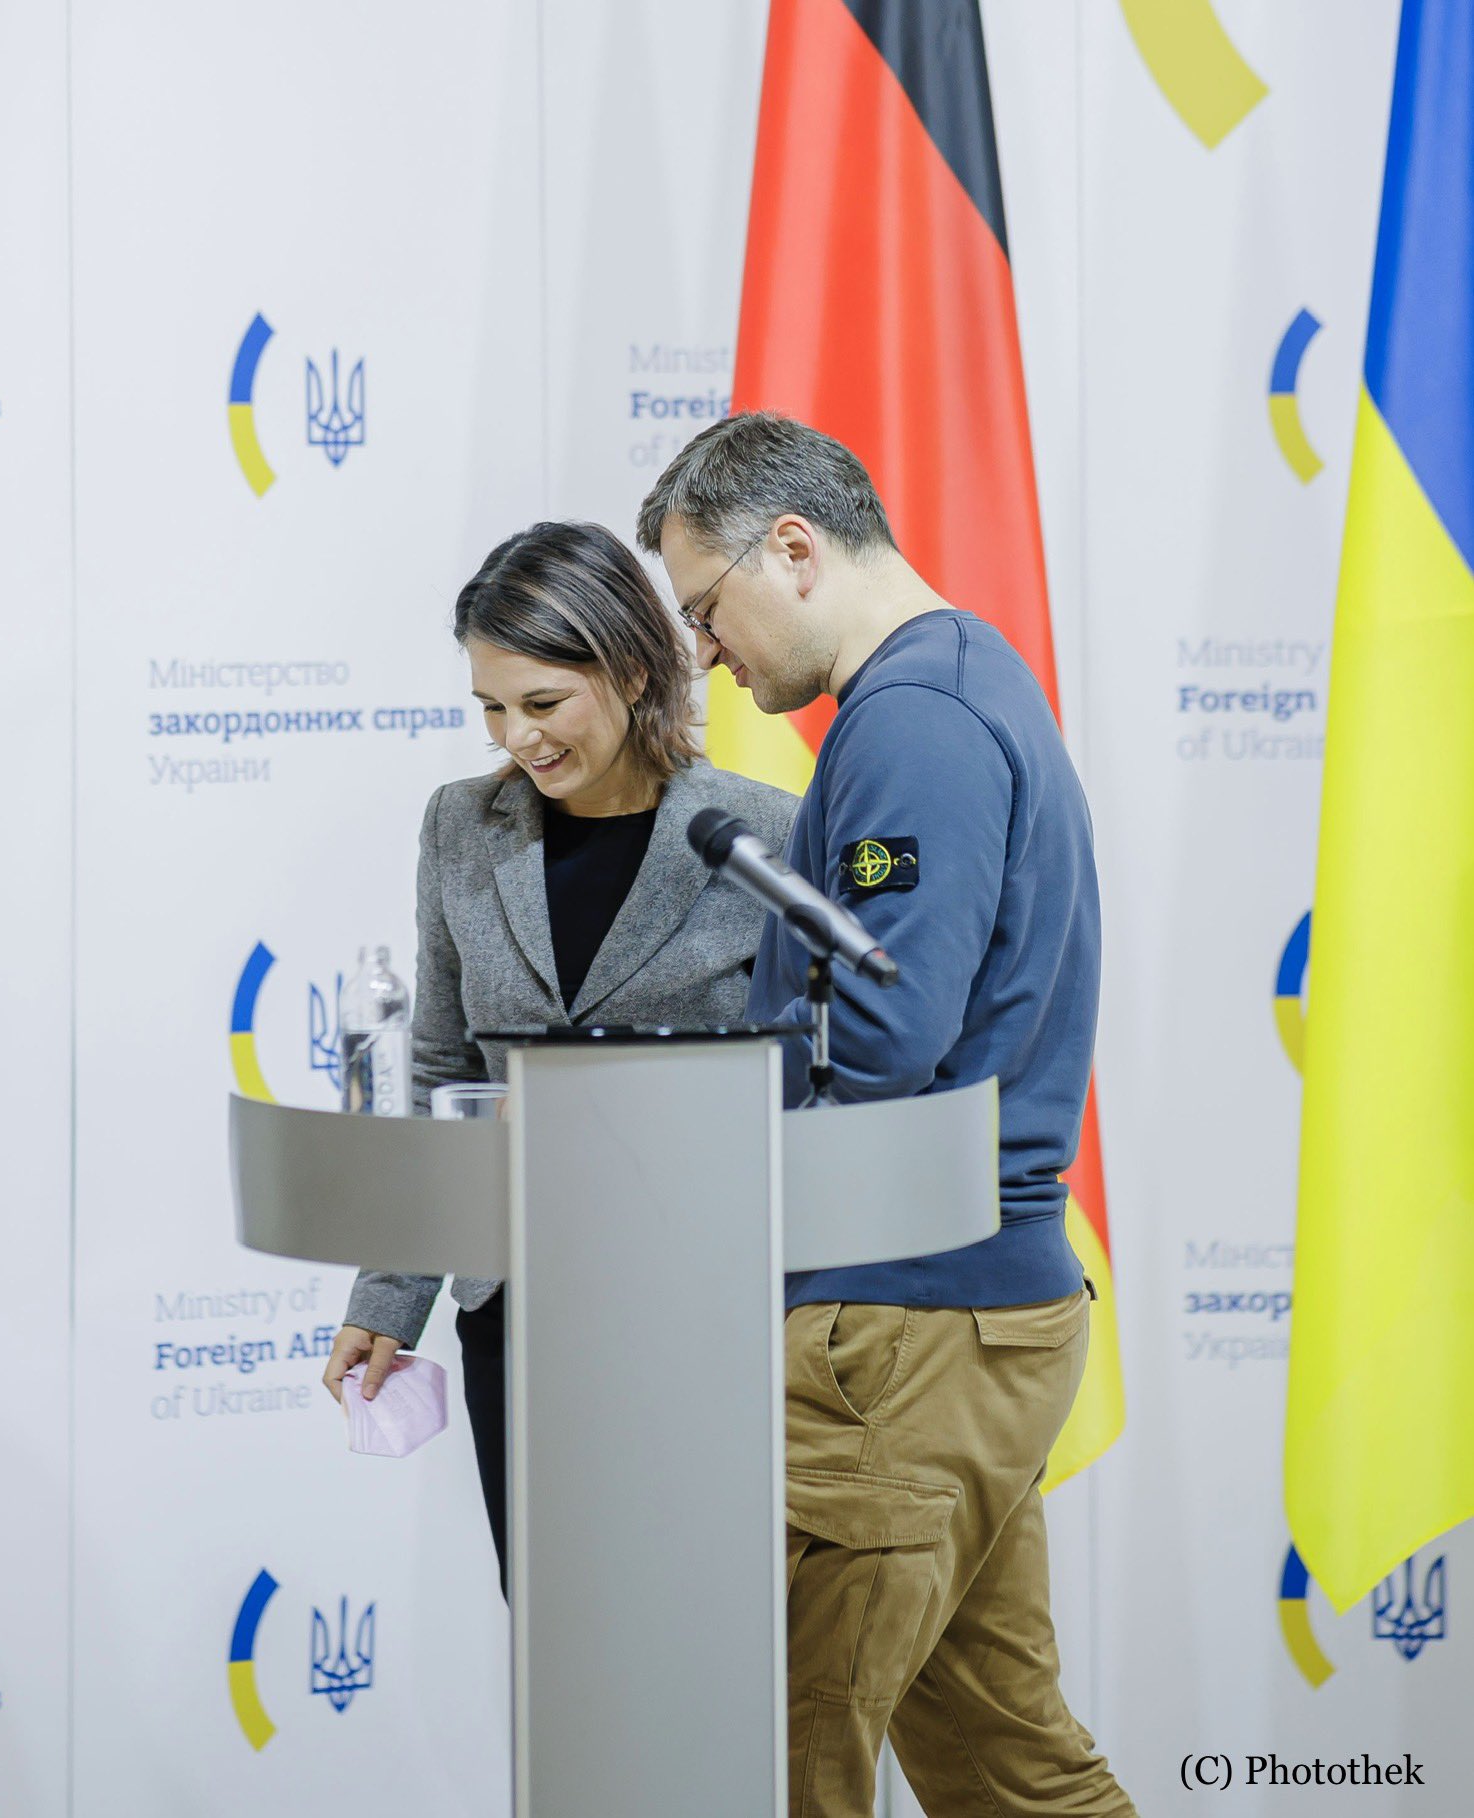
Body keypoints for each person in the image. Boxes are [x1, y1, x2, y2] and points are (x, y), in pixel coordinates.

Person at [638, 413, 1136, 1817]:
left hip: (903, 1327)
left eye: (704, 610)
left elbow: (886, 1032)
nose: (706, 655)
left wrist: (705, 1078)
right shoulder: (955, 684)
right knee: (1005, 1763)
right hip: (957, 1315)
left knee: (776, 1757)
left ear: (790, 551)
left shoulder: (912, 720)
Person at [319, 519, 796, 1593]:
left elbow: (811, 1081)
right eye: (491, 708)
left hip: (700, 1312)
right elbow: (440, 1072)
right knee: (550, 1624)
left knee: (703, 1624)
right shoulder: (461, 827)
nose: (517, 739)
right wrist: (386, 1301)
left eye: (541, 703)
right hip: (518, 1321)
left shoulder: (764, 834)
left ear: (633, 669)